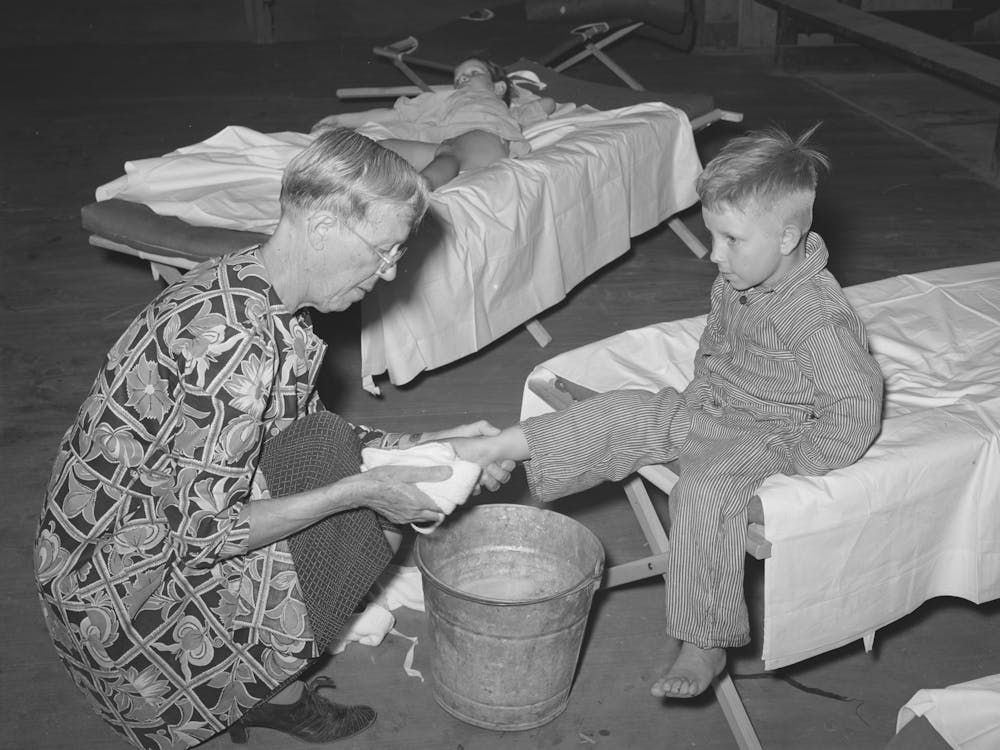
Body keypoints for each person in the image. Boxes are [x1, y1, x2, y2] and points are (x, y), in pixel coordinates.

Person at [33, 127, 514, 750]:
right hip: (123, 582)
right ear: (322, 227)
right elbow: (206, 534)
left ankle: (265, 688)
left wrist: (430, 440)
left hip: (124, 526)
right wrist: (360, 491)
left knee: (331, 459)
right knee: (358, 530)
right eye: (383, 250)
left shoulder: (253, 287)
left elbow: (299, 432)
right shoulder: (230, 348)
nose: (391, 272)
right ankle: (264, 696)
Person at [450, 124, 884, 700]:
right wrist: (703, 390)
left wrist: (803, 462)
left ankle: (705, 639)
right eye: (712, 236)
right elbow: (718, 343)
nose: (715, 255)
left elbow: (856, 405)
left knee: (702, 494)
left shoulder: (818, 317)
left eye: (731, 240)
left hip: (767, 432)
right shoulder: (739, 279)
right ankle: (499, 446)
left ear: (786, 238)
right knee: (623, 410)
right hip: (710, 405)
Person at [312, 57, 556, 189]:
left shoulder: (501, 109)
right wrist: (340, 120)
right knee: (379, 149)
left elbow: (547, 104)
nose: (464, 80)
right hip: (443, 146)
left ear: (498, 86)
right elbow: (393, 114)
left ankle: (417, 193)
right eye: (459, 78)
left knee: (450, 152)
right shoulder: (444, 99)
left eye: (474, 73)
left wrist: (513, 95)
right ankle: (341, 188)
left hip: (486, 140)